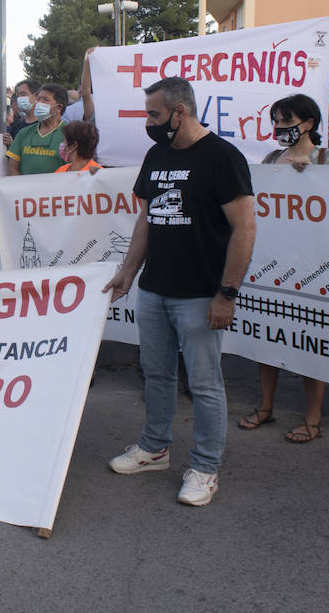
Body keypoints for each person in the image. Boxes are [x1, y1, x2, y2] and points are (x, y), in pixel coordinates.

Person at [103, 76, 256, 507]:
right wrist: (128, 272)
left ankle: (206, 467)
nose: (149, 123)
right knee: (157, 373)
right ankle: (155, 448)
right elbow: (147, 219)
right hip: (154, 289)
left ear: (180, 111)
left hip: (200, 294)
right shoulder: (157, 154)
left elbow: (245, 227)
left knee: (205, 384)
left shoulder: (222, 157)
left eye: (154, 114)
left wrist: (227, 294)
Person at [237, 94, 329, 443]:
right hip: (273, 262)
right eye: (277, 122)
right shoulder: (270, 159)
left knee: (313, 341)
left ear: (309, 123)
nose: (280, 128)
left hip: (315, 266)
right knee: (268, 337)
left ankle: (313, 416)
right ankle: (266, 406)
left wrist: (311, 180)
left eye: (287, 121)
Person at [6, 83, 67, 175]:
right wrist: (21, 188)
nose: (39, 103)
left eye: (46, 100)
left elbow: (75, 169)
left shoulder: (70, 134)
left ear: (59, 107)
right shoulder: (24, 133)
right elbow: (12, 165)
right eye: (38, 99)